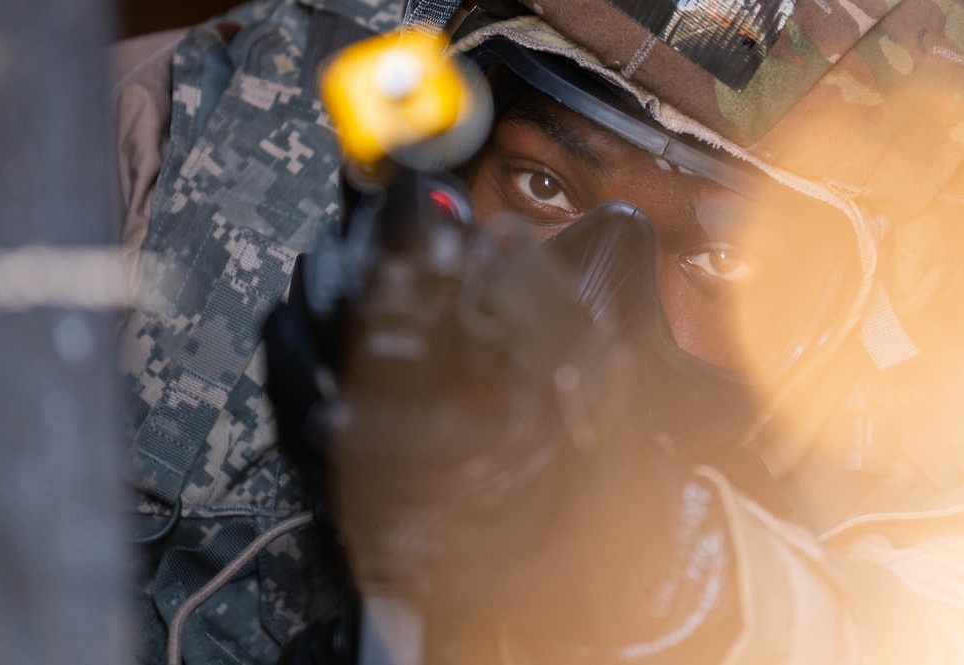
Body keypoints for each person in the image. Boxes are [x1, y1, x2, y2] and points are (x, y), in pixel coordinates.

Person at [112, 0, 964, 663]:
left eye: (727, 262)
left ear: (845, 320)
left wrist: (641, 558)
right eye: (542, 185)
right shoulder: (156, 156)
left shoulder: (915, 456)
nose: (594, 310)